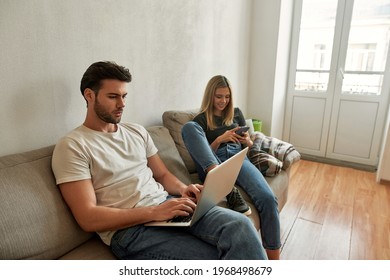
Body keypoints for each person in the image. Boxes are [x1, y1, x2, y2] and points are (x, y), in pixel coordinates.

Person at [51, 61, 267, 260]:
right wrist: (155, 212)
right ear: (89, 95)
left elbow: (162, 175)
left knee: (240, 225)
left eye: (124, 96)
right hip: (130, 232)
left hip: (167, 205)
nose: (122, 104)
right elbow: (87, 217)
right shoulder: (73, 146)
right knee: (212, 257)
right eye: (113, 97)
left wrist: (184, 189)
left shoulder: (136, 132)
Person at [181, 75, 281, 260]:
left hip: (238, 158)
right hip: (213, 161)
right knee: (189, 127)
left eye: (227, 97)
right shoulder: (200, 120)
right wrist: (220, 139)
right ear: (210, 96)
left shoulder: (236, 113)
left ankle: (274, 262)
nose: (223, 101)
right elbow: (200, 154)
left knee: (268, 198)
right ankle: (226, 186)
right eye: (219, 96)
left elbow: (249, 147)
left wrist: (247, 140)